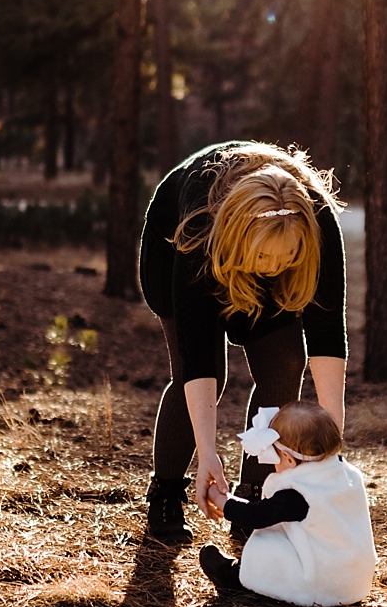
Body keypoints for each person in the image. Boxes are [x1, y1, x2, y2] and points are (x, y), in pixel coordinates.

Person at [136, 141, 349, 546]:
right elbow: (197, 357)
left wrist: (331, 441)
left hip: (258, 245)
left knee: (286, 363)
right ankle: (166, 491)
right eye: (266, 260)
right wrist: (207, 455)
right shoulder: (198, 228)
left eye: (284, 260)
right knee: (199, 373)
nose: (272, 270)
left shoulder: (317, 221)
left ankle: (255, 491)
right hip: (177, 251)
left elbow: (326, 334)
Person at [198, 399, 377, 606]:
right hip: (354, 579)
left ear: (289, 459)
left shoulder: (298, 494)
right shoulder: (345, 474)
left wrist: (221, 499)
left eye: (275, 456)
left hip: (323, 585)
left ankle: (234, 576)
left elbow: (254, 516)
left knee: (269, 547)